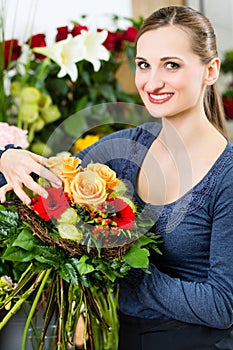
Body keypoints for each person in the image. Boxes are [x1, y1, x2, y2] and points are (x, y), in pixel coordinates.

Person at [0, 5, 233, 350]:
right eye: (143, 65)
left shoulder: (227, 174)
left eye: (172, 65)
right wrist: (10, 158)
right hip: (121, 337)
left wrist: (118, 259)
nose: (152, 82)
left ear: (210, 70)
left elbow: (222, 305)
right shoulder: (129, 146)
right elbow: (46, 182)